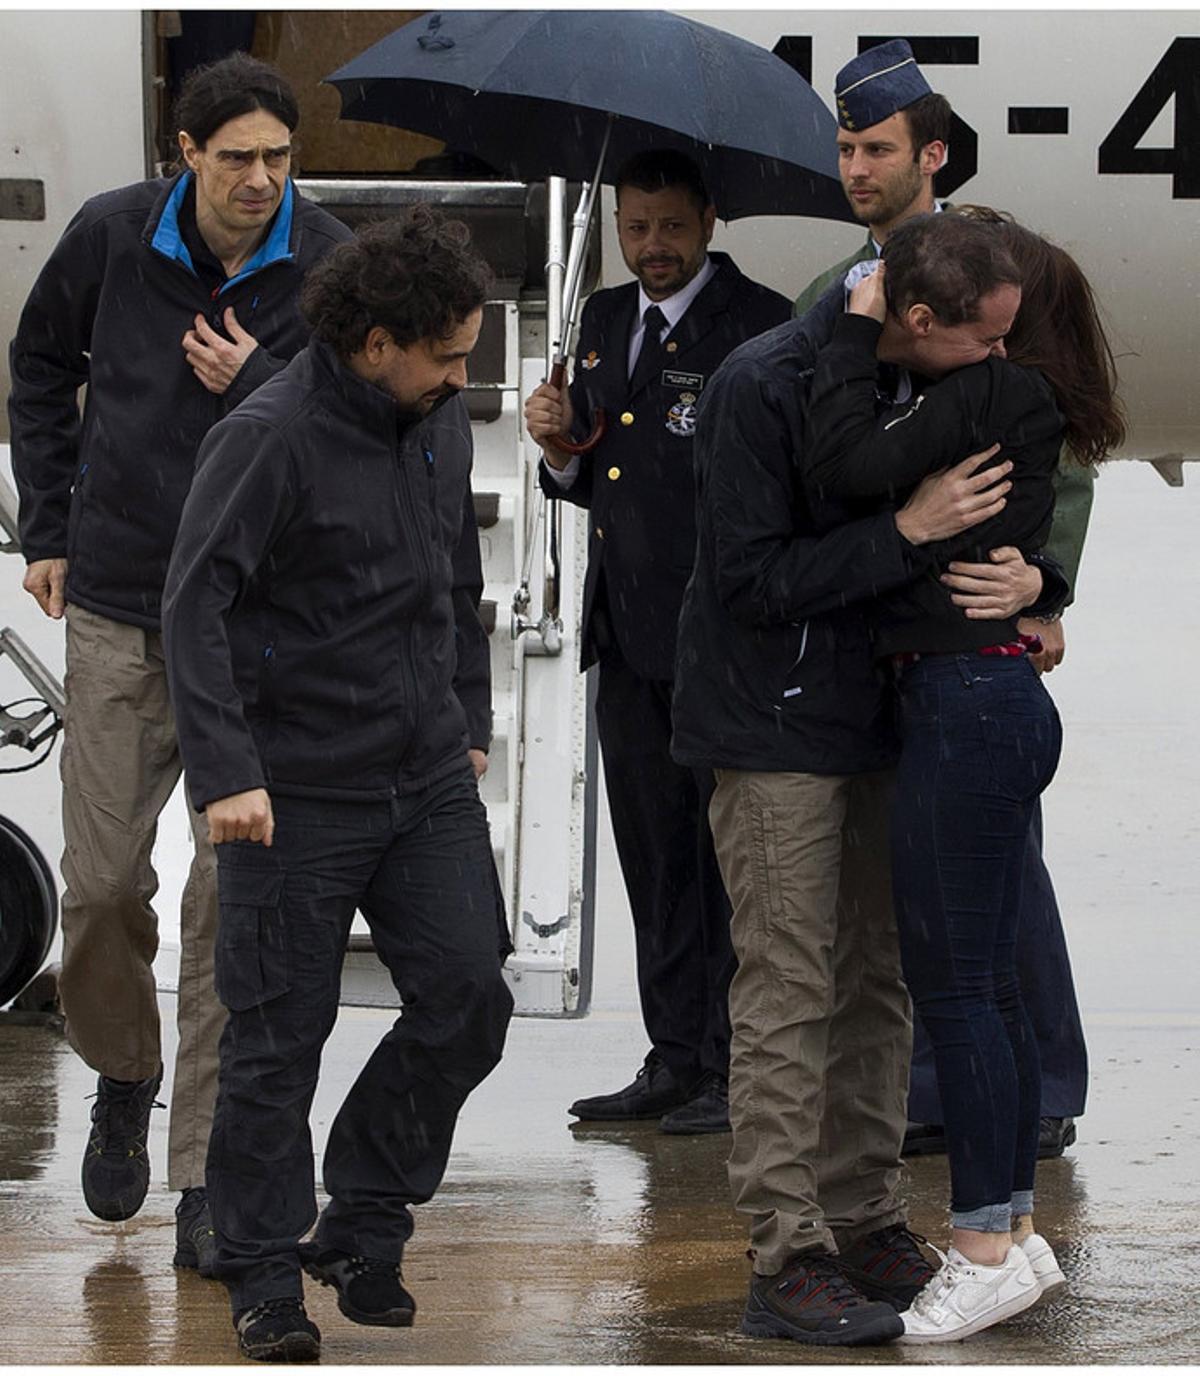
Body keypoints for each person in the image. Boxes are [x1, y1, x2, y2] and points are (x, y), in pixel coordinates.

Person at [669, 227, 1062, 1344]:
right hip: (773, 724)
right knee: (791, 982)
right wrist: (907, 530)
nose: (1002, 353)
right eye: (982, 333)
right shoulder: (763, 384)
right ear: (919, 318)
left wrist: (1044, 581)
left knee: (881, 977)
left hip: (889, 716)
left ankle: (865, 1213)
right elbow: (751, 580)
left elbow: (1008, 516)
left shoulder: (923, 380)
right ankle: (785, 1248)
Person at [6, 52, 352, 1268]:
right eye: (239, 157)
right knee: (101, 885)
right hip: (117, 601)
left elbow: (377, 422)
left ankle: (209, 1166)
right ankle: (122, 1068)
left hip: (260, 622)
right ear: (186, 153)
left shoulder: (328, 262)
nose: (264, 180)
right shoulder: (110, 237)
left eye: (279, 158)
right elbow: (39, 367)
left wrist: (260, 375)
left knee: (229, 908)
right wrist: (45, 520)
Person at [161, 210, 513, 1362]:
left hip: (422, 774)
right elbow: (193, 605)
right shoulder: (268, 435)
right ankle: (262, 1272)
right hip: (293, 792)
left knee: (469, 993)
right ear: (375, 343)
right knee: (277, 1039)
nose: (466, 377)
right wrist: (225, 772)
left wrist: (469, 712)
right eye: (449, 356)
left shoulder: (433, 421)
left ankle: (363, 1212)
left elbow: (455, 571)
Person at [800, 211, 1123, 1341]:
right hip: (988, 698)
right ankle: (1011, 1228)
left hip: (967, 705)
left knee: (960, 991)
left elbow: (845, 464)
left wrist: (848, 336)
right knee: (985, 986)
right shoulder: (1006, 398)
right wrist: (1042, 587)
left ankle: (986, 1241)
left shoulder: (987, 395)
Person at [795, 37, 1090, 1160]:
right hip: (887, 619)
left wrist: (1048, 583)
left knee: (997, 854)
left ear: (934, 155)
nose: (854, 167)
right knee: (919, 870)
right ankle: (928, 1086)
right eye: (846, 147)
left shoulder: (1004, 266)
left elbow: (1068, 441)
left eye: (875, 148)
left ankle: (1045, 1080)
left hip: (979, 611)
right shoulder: (840, 290)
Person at [523, 151, 791, 1134]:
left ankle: (731, 1064)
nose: (653, 248)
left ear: (710, 220)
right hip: (623, 642)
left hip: (715, 645)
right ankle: (674, 1054)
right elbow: (605, 474)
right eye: (635, 227)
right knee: (653, 859)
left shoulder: (760, 328)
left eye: (671, 226)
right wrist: (560, 449)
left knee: (727, 869)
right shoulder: (600, 322)